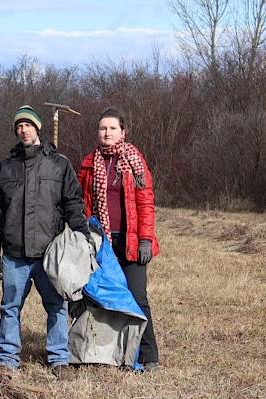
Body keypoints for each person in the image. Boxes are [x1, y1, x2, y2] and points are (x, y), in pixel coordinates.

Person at [0, 105, 90, 371]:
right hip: (14, 254)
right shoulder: (4, 169)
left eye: (28, 125)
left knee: (57, 306)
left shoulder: (59, 165)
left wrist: (83, 238)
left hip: (49, 254)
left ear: (38, 128)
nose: (24, 130)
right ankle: (7, 358)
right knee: (10, 306)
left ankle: (59, 359)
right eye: (19, 126)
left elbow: (73, 205)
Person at [77, 107, 160, 371]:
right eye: (103, 128)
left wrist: (145, 239)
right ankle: (103, 352)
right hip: (101, 242)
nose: (107, 133)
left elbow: (146, 204)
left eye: (112, 128)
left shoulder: (135, 162)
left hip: (130, 241)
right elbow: (81, 201)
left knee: (137, 297)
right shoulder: (89, 163)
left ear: (123, 132)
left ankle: (148, 356)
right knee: (100, 297)